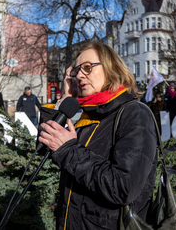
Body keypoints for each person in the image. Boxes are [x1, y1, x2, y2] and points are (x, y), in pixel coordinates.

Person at [38, 42, 157, 230]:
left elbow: (123, 187)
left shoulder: (134, 114)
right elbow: (44, 147)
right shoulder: (89, 114)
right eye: (76, 70)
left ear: (111, 69)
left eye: (87, 67)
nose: (79, 75)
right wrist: (64, 99)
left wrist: (69, 150)